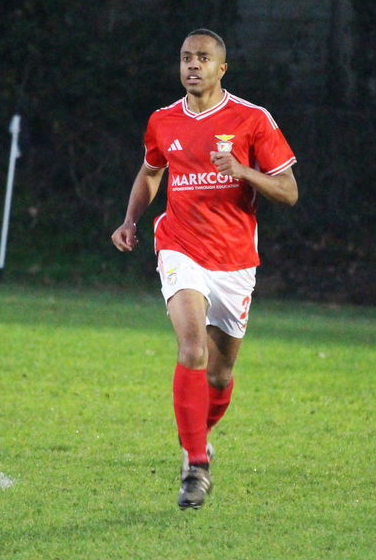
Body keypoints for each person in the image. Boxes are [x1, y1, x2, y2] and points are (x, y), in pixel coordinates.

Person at [111, 28, 298, 509]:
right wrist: (131, 220)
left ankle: (197, 435)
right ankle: (196, 466)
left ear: (221, 68)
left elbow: (289, 191)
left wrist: (244, 171)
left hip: (234, 258)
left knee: (219, 375)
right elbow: (151, 171)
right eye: (185, 58)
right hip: (179, 246)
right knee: (191, 348)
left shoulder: (252, 119)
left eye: (202, 58)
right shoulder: (162, 120)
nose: (192, 65)